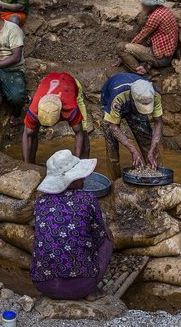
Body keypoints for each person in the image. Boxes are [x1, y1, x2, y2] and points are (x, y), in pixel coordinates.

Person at [31, 150, 113, 301]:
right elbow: (99, 236)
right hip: (81, 286)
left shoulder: (40, 202)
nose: (83, 178)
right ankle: (90, 288)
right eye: (80, 175)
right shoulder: (88, 198)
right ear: (72, 180)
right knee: (107, 235)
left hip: (42, 284)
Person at [101, 73, 163, 180]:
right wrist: (133, 150)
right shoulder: (117, 96)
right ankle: (115, 181)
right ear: (132, 97)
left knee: (148, 144)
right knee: (112, 150)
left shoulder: (153, 94)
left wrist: (152, 149)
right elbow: (114, 127)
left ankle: (157, 177)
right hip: (110, 103)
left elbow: (158, 122)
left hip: (135, 104)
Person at [22, 72, 90, 164]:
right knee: (31, 132)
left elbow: (79, 133)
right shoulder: (34, 108)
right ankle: (31, 163)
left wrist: (76, 163)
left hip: (69, 83)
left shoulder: (70, 107)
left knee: (83, 131)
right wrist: (26, 165)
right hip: (48, 80)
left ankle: (82, 166)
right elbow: (27, 134)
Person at [116, 0, 179, 75]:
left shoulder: (155, 16)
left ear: (150, 4)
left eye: (144, 3)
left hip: (161, 58)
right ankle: (148, 66)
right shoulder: (164, 10)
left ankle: (141, 73)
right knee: (140, 45)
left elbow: (141, 37)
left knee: (121, 47)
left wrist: (122, 55)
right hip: (165, 54)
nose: (142, 4)